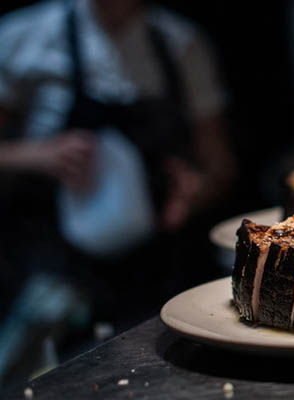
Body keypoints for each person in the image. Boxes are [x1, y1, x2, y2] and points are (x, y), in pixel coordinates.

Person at [0, 0, 235, 320]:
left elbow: (219, 164)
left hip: (158, 262)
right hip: (51, 264)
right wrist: (37, 154)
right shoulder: (24, 36)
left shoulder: (180, 42)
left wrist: (194, 192)